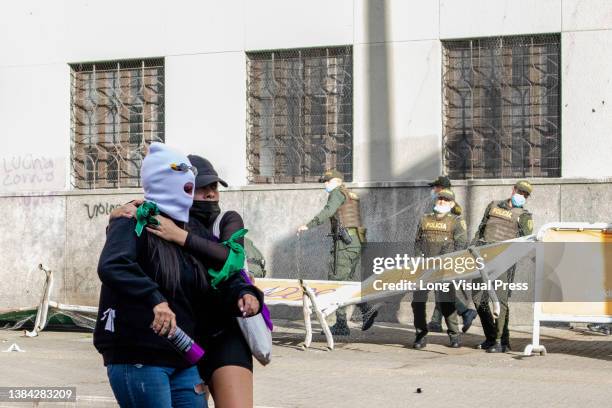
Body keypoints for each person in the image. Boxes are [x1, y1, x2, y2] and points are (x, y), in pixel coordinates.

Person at [110, 154, 263, 408]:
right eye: (201, 188)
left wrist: (179, 236)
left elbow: (231, 260)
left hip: (222, 335)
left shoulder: (224, 220)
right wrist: (119, 214)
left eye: (214, 187)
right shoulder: (159, 219)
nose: (210, 194)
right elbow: (120, 253)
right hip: (182, 339)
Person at [95, 142, 208, 407]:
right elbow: (113, 264)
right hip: (139, 357)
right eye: (180, 172)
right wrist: (155, 299)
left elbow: (220, 261)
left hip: (183, 356)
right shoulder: (131, 218)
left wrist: (246, 292)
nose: (189, 180)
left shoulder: (187, 229)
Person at [297, 169, 376, 336]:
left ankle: (356, 315)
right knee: (346, 282)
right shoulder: (349, 195)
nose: (325, 184)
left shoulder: (337, 193)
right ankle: (353, 317)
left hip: (345, 244)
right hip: (355, 242)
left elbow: (328, 211)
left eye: (327, 181)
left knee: (336, 282)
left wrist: (309, 225)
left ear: (337, 181)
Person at [471, 180, 533, 353]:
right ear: (513, 190)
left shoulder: (524, 216)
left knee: (500, 300)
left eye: (526, 194)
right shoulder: (493, 206)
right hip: (482, 257)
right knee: (477, 298)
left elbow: (527, 242)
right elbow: (480, 229)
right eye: (520, 192)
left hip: (504, 261)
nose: (522, 196)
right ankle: (492, 337)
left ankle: (500, 341)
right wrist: (472, 248)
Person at [411, 188, 467, 349]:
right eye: (440, 198)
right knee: (418, 302)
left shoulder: (456, 221)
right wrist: (418, 259)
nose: (441, 201)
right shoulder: (424, 219)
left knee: (447, 302)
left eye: (446, 199)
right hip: (424, 267)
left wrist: (451, 264)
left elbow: (461, 245)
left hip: (445, 268)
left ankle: (454, 336)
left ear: (452, 204)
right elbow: (417, 242)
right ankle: (420, 336)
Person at [425, 176, 477, 334]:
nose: (433, 191)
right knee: (440, 288)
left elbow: (459, 236)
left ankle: (465, 312)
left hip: (447, 255)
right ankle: (435, 321)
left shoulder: (452, 209)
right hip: (438, 254)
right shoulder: (439, 205)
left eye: (436, 188)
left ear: (442, 188)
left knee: (442, 289)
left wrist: (453, 258)